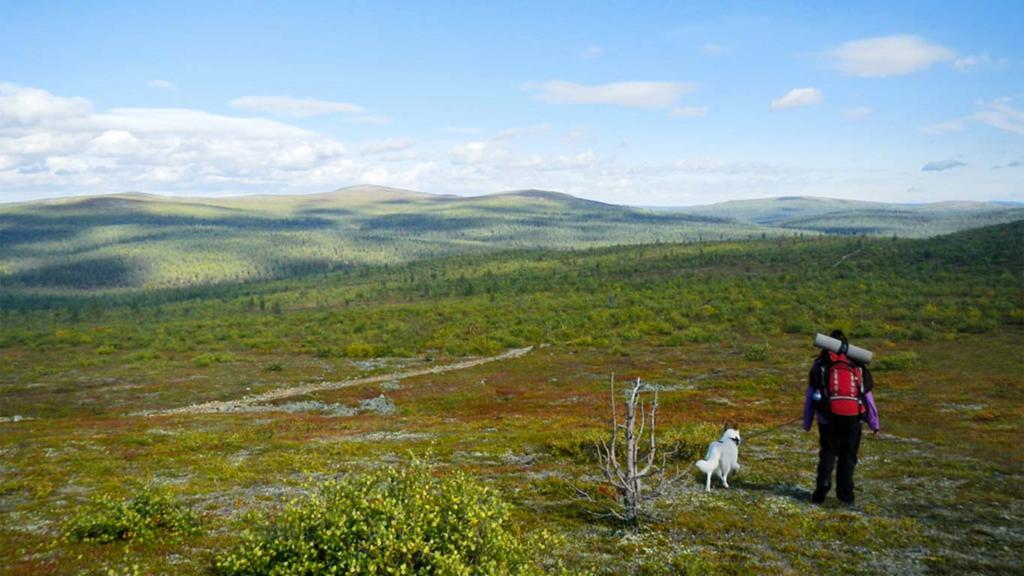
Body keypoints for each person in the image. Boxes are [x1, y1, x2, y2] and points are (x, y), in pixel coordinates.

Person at [803, 329, 879, 506]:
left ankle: (822, 486)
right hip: (853, 419)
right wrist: (874, 423)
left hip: (827, 419)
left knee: (828, 453)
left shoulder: (820, 366)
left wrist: (807, 423)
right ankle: (846, 496)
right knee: (848, 456)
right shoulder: (858, 367)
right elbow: (868, 398)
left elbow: (810, 398)